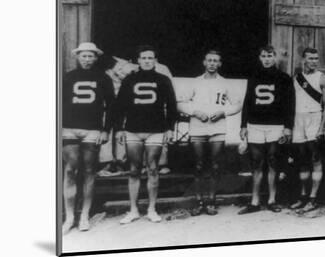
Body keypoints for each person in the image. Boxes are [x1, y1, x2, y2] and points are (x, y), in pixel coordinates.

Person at [112, 45, 178, 223]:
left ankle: (151, 209)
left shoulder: (163, 79)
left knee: (153, 169)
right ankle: (133, 210)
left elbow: (172, 105)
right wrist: (118, 128)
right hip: (133, 130)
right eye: (144, 58)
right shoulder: (129, 80)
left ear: (155, 60)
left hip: (155, 130)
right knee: (133, 170)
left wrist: (170, 128)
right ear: (138, 61)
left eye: (151, 58)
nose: (147, 61)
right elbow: (119, 106)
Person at [178, 50, 242, 216]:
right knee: (199, 164)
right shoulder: (195, 82)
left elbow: (236, 104)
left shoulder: (225, 83)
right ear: (204, 63)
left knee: (215, 164)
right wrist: (195, 111)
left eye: (216, 61)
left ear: (220, 64)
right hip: (198, 127)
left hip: (217, 128)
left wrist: (223, 112)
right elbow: (181, 103)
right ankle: (199, 201)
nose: (212, 63)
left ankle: (211, 201)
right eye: (209, 60)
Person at [62, 42, 115, 234]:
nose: (87, 59)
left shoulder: (104, 78)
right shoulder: (68, 77)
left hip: (92, 129)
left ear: (96, 57)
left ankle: (84, 215)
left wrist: (105, 130)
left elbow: (111, 107)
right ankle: (69, 217)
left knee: (90, 170)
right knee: (70, 169)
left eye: (90, 56)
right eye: (83, 56)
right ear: (78, 57)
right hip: (68, 128)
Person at [238, 46, 295, 214]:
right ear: (260, 57)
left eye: (270, 56)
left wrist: (288, 127)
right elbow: (247, 102)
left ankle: (272, 200)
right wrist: (243, 125)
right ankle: (254, 201)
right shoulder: (253, 76)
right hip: (255, 124)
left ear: (275, 57)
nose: (267, 59)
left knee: (273, 162)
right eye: (264, 56)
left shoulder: (284, 78)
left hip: (275, 125)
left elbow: (289, 104)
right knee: (256, 163)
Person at [289, 48, 325, 212]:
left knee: (315, 158)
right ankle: (303, 195)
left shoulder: (322, 78)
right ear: (303, 60)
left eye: (316, 58)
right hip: (298, 119)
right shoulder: (296, 79)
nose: (314, 61)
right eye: (311, 58)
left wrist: (322, 127)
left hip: (315, 117)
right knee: (302, 160)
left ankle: (313, 198)